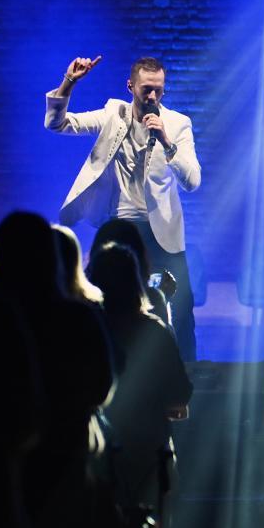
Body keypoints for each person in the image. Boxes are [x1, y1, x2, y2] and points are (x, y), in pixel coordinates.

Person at [45, 54, 202, 360]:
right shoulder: (113, 114)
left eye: (158, 89)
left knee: (182, 308)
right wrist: (69, 82)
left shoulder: (178, 124)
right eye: (146, 89)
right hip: (119, 226)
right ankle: (95, 365)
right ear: (131, 86)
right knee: (99, 299)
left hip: (162, 231)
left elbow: (193, 181)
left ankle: (188, 376)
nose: (153, 96)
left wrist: (166, 141)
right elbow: (57, 123)